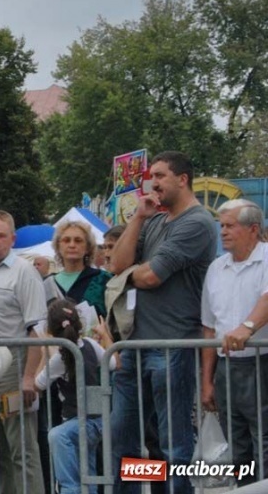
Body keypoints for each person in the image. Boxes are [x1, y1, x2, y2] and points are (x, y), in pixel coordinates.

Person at [109, 151, 217, 494]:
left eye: (159, 176)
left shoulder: (197, 222)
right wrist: (138, 219)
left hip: (173, 345)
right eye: (150, 176)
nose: (152, 183)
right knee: (125, 441)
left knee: (174, 445)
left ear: (182, 179)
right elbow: (117, 264)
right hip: (136, 344)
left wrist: (131, 273)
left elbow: (153, 276)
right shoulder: (155, 220)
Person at [0, 210, 46, 494]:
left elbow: (36, 330)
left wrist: (28, 377)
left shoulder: (24, 272)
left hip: (13, 368)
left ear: (12, 239)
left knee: (21, 449)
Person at [201, 199, 268, 485]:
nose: (223, 232)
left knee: (264, 442)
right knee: (237, 446)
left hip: (262, 363)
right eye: (221, 225)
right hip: (227, 368)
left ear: (253, 229)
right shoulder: (216, 268)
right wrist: (207, 379)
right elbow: (208, 326)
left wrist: (247, 327)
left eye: (230, 226)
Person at [36, 300, 117, 494]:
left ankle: (69, 489)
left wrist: (43, 353)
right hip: (96, 420)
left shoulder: (60, 358)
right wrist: (105, 335)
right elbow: (114, 362)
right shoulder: (89, 344)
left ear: (50, 330)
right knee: (87, 470)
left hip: (79, 421)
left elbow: (38, 384)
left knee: (57, 435)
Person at [43, 221, 109, 316]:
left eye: (78, 241)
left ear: (87, 247)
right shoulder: (47, 284)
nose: (72, 245)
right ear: (58, 246)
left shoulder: (103, 280)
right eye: (66, 240)